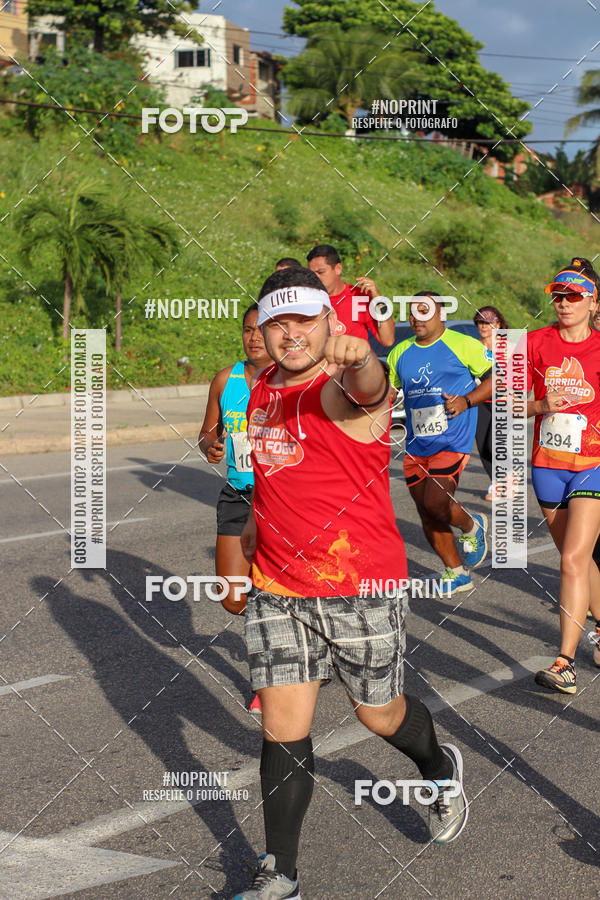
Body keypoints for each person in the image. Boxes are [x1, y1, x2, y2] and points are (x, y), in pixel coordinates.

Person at [234, 267, 467, 900]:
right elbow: (268, 487)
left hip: (358, 586)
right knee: (282, 728)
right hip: (278, 590)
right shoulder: (259, 393)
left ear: (330, 321)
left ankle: (438, 767)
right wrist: (246, 553)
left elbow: (366, 391)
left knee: (377, 714)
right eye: (277, 322)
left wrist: (363, 356)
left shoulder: (338, 386)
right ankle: (280, 873)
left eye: (304, 320)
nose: (290, 335)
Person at [387, 292, 492, 595]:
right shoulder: (399, 352)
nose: (417, 318)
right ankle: (457, 573)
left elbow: (495, 377)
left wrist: (467, 400)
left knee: (436, 501)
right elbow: (390, 392)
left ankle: (472, 525)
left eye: (424, 311)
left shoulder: (463, 345)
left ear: (441, 314)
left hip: (452, 439)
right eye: (413, 312)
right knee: (425, 510)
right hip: (417, 443)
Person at [528, 258, 600, 693]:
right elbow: (507, 402)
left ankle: (565, 663)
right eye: (558, 295)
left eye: (574, 296)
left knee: (571, 560)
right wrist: (540, 407)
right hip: (547, 467)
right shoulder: (534, 343)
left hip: (593, 464)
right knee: (582, 559)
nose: (563, 302)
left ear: (594, 303)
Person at [198, 304, 272, 713]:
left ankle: (270, 677)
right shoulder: (227, 379)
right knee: (234, 597)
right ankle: (289, 636)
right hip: (238, 494)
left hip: (282, 500)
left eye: (262, 330)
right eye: (247, 330)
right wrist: (210, 445)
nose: (254, 337)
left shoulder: (290, 380)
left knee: (277, 590)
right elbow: (208, 431)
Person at [306, 243, 395, 346]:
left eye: (321, 272)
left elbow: (387, 340)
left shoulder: (358, 297)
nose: (315, 278)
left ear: (338, 269)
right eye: (312, 274)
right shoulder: (308, 299)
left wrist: (378, 299)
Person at [473, 306, 509, 501]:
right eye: (480, 322)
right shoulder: (474, 347)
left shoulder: (509, 347)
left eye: (488, 322)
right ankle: (496, 482)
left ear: (498, 324)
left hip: (505, 402)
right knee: (482, 446)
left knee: (493, 443)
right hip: (481, 401)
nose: (484, 326)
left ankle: (508, 478)